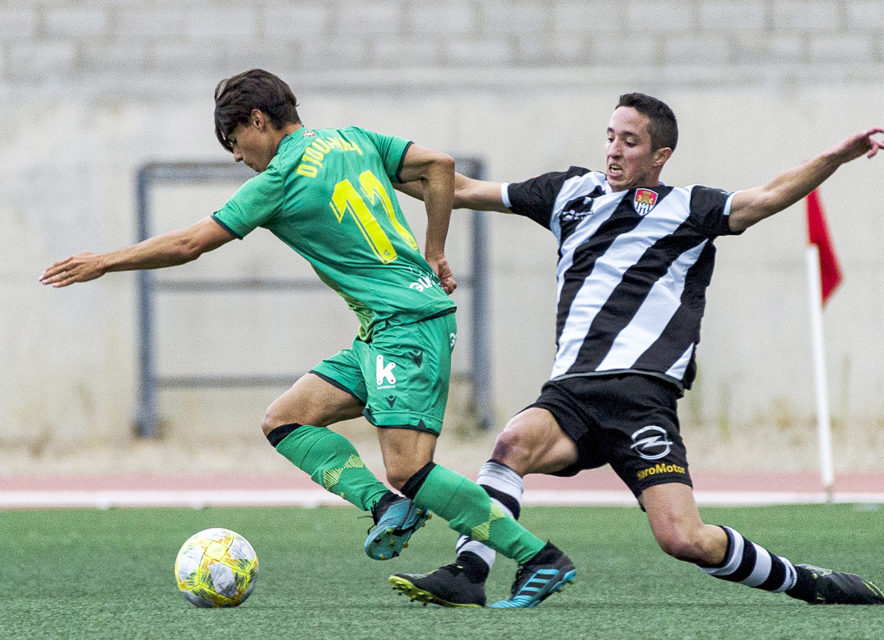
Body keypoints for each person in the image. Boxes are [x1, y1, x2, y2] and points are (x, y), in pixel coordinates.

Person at [40, 68, 576, 606]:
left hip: (408, 326)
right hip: (381, 330)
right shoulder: (354, 138)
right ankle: (388, 507)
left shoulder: (276, 181)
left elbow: (187, 244)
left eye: (233, 142)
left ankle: (538, 557)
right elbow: (440, 166)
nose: (235, 156)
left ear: (257, 120)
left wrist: (105, 262)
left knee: (409, 467)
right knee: (285, 419)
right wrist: (435, 251)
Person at [389, 92, 884, 608]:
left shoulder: (689, 207)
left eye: (630, 141)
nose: (614, 150)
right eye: (610, 136)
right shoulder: (569, 193)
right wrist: (371, 169)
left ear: (660, 155)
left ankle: (807, 583)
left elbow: (765, 197)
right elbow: (464, 188)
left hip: (640, 397)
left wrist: (835, 157)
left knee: (684, 540)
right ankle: (468, 573)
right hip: (570, 392)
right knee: (511, 445)